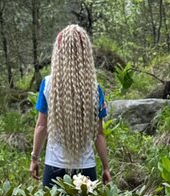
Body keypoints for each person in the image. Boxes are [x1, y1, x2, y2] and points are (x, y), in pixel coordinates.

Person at [30, 24, 111, 187]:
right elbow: (99, 134)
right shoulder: (94, 89)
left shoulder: (48, 84)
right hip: (86, 168)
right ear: (85, 52)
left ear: (59, 51)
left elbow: (41, 126)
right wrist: (106, 167)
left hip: (54, 167)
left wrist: (34, 158)